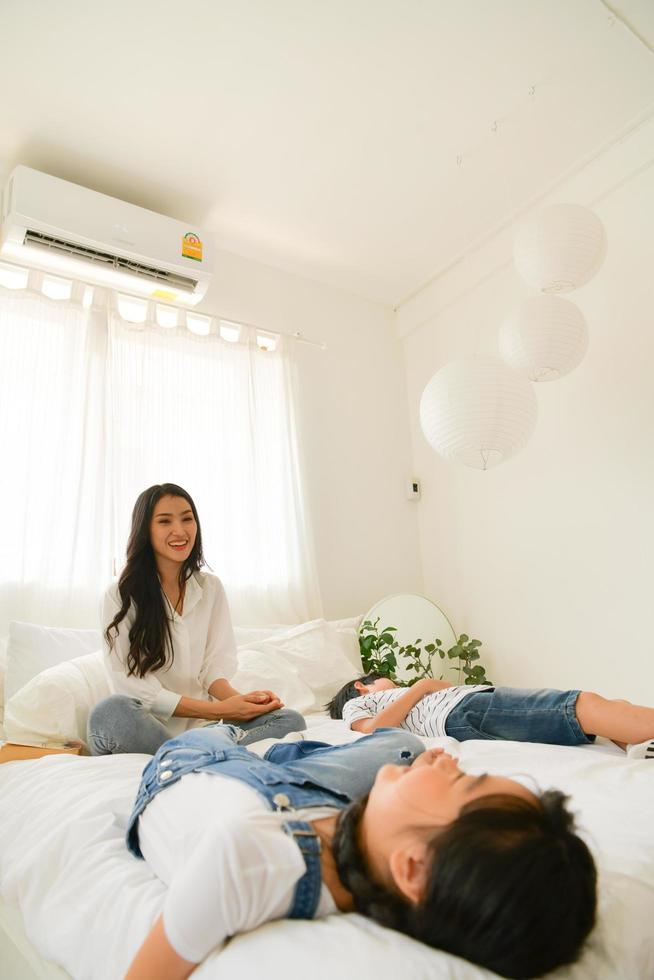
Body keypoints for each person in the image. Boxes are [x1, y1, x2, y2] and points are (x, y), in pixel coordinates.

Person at [123, 724, 596, 980]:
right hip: (310, 798)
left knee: (198, 731)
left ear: (413, 869)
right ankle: (275, 742)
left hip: (192, 762)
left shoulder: (248, 858)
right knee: (404, 747)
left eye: (464, 780)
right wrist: (425, 773)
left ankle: (245, 736)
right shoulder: (379, 864)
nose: (453, 760)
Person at [88, 483, 305, 755]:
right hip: (145, 728)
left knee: (290, 720)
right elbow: (130, 687)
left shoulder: (210, 588)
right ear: (146, 530)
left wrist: (243, 703)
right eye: (165, 521)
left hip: (205, 728)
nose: (180, 531)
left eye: (187, 518)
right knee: (110, 712)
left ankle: (190, 755)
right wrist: (217, 709)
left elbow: (213, 667)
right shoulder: (119, 596)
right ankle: (203, 753)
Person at [326, 672, 654, 758]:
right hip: (464, 710)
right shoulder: (360, 703)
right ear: (361, 686)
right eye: (384, 678)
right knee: (580, 706)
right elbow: (372, 730)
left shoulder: (400, 694)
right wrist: (420, 687)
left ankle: (638, 745)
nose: (392, 681)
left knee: (597, 711)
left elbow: (443, 685)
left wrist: (426, 687)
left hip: (468, 703)